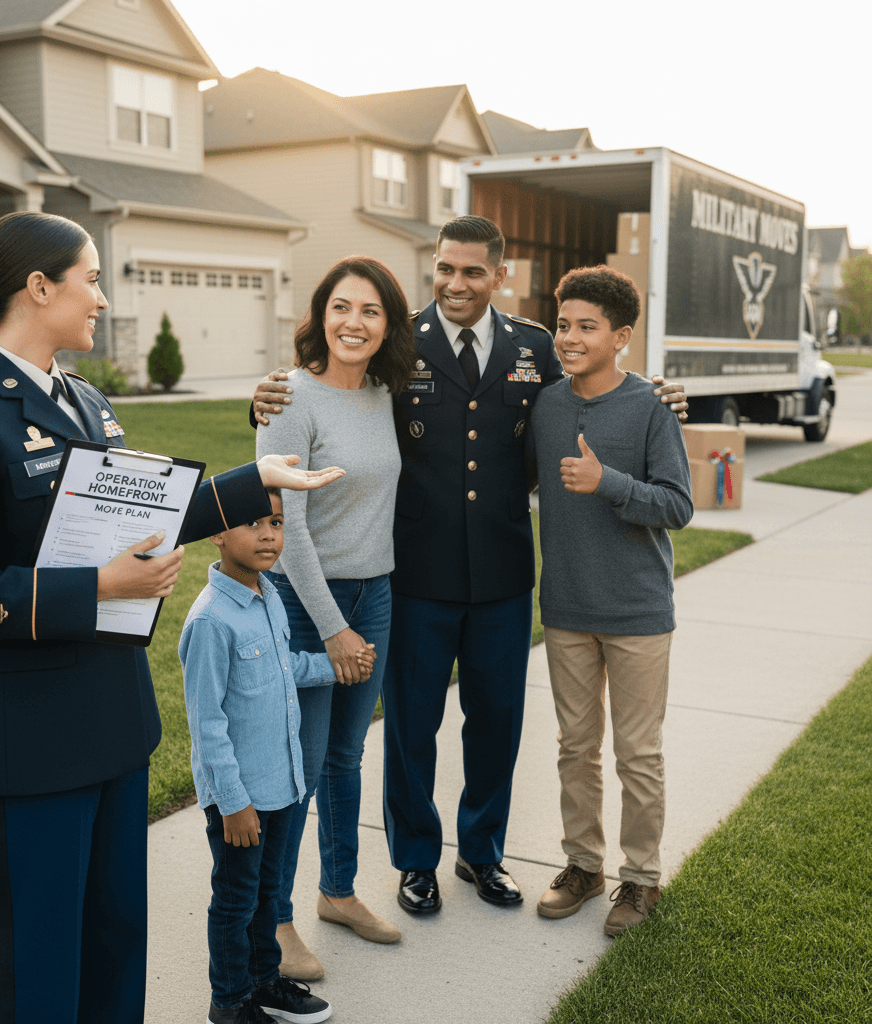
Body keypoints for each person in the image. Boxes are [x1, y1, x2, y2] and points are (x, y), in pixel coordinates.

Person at [0, 210, 346, 1024]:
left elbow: (136, 523)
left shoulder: (87, 401)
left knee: (113, 945)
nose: (103, 298)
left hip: (112, 722)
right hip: (27, 737)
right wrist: (99, 586)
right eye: (91, 278)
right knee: (37, 964)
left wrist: (253, 481)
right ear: (39, 287)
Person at [253, 216, 688, 916]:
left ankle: (482, 853)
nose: (456, 284)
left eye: (472, 272)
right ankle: (416, 860)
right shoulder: (399, 339)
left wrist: (657, 395)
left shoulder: (537, 346)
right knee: (412, 725)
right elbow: (336, 389)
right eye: (445, 270)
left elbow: (596, 389)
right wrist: (268, 395)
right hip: (415, 574)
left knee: (496, 722)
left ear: (498, 275)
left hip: (504, 576)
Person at [254, 256, 415, 980]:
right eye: (342, 307)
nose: (355, 322)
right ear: (321, 314)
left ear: (388, 326)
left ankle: (339, 891)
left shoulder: (384, 393)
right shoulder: (290, 397)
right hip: (302, 602)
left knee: (347, 758)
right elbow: (289, 530)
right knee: (300, 766)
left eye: (372, 311)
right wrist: (332, 628)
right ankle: (277, 920)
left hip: (373, 594)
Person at [529, 266, 692, 935]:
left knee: (638, 754)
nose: (568, 337)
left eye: (585, 327)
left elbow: (678, 505)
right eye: (563, 324)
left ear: (621, 337)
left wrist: (608, 482)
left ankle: (642, 879)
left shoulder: (651, 408)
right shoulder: (546, 406)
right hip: (566, 609)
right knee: (575, 747)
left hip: (637, 613)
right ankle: (583, 865)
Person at [181, 489, 375, 1024]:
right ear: (218, 533)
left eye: (277, 522)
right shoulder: (210, 621)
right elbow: (207, 725)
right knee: (236, 900)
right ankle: (230, 1003)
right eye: (252, 524)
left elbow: (281, 670)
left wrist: (334, 667)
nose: (269, 535)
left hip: (283, 783)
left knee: (269, 893)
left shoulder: (268, 596)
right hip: (241, 799)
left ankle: (265, 981)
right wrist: (232, 803)